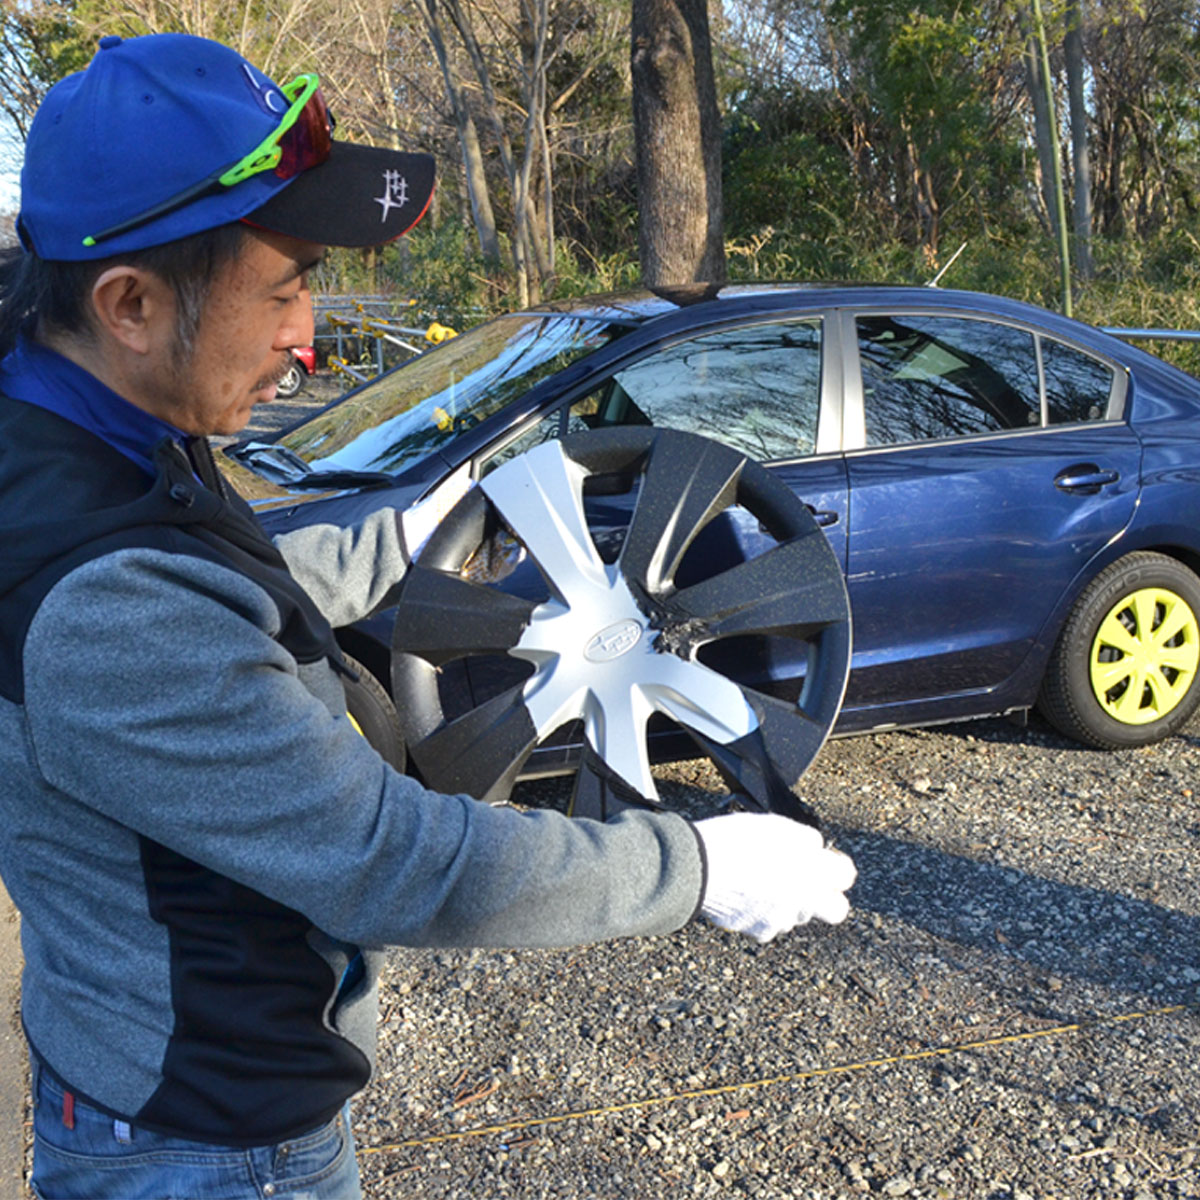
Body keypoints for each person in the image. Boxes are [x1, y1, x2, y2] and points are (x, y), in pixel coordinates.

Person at [0, 33, 857, 1200]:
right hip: (210, 1145)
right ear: (132, 303)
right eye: (287, 283)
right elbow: (389, 861)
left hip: (147, 1079)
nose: (308, 339)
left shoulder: (74, 430)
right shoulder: (100, 592)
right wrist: (693, 867)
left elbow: (220, 599)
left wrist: (401, 545)